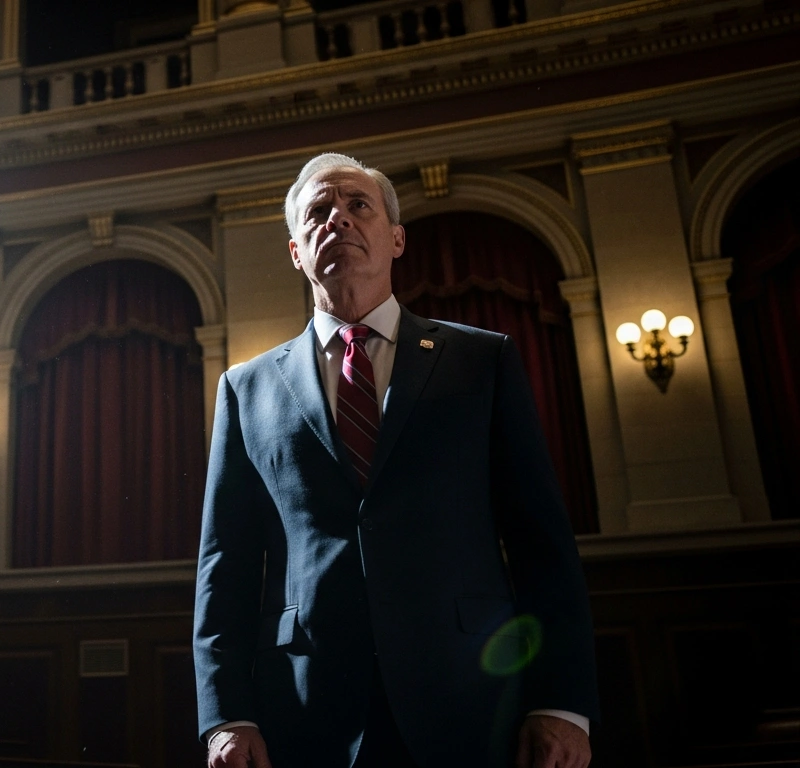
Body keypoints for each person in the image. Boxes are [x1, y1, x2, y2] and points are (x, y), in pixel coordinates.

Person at [193, 152, 599, 768]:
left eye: (359, 206)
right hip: (307, 709)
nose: (339, 221)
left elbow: (542, 541)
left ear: (397, 237)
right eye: (318, 213)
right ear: (297, 252)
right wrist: (227, 715)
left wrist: (562, 703)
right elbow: (226, 564)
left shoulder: (480, 361)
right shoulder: (246, 389)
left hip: (472, 696)